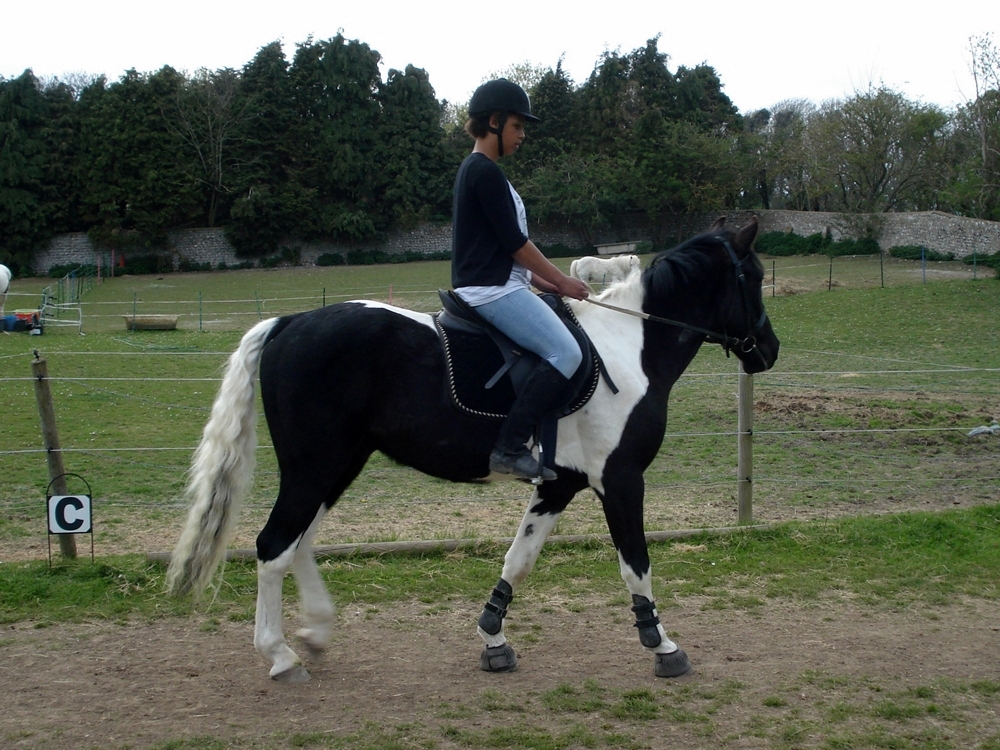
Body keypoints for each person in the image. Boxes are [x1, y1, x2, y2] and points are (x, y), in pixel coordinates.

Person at [451, 78, 589, 481]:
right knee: (567, 353)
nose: (522, 135)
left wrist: (542, 282)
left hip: (498, 283)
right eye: (517, 126)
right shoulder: (485, 172)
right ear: (493, 122)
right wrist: (561, 280)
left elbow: (498, 245)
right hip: (492, 290)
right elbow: (515, 243)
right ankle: (509, 448)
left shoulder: (481, 170)